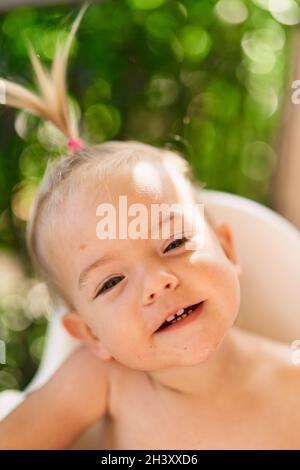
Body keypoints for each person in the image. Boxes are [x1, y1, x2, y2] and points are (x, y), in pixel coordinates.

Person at [0, 6, 300, 450]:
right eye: (112, 281)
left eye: (175, 242)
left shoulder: (291, 386)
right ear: (90, 335)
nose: (158, 281)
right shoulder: (100, 381)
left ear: (227, 249)